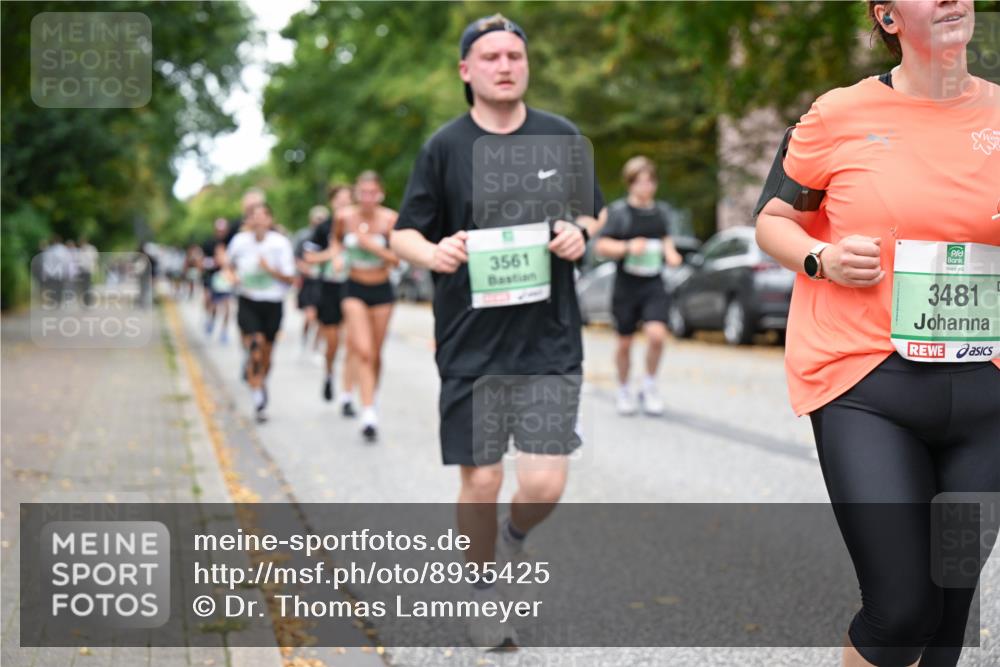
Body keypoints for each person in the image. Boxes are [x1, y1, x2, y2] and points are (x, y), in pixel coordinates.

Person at [754, 2, 999, 666]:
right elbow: (774, 220)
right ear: (887, 17)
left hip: (986, 392)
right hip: (866, 382)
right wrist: (821, 258)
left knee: (949, 612)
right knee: (902, 610)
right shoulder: (839, 114)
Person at [390, 14, 603, 647]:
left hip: (548, 337)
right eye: (491, 57)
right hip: (469, 339)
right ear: (466, 70)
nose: (505, 65)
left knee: (543, 483)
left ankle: (512, 538)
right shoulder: (444, 147)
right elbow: (403, 232)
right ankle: (481, 590)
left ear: (526, 65)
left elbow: (593, 210)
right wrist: (433, 254)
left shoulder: (561, 136)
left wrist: (579, 233)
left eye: (515, 55)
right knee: (481, 478)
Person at [594, 156, 683, 416]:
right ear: (630, 184)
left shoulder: (661, 212)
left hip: (653, 284)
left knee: (657, 336)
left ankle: (649, 385)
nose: (646, 187)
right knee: (624, 343)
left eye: (650, 181)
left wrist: (671, 253)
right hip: (626, 286)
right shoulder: (619, 212)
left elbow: (666, 238)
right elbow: (600, 246)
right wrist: (627, 247)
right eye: (640, 182)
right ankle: (623, 389)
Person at [337, 171, 399, 441]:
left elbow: (397, 259)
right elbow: (335, 242)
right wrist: (337, 257)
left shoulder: (390, 219)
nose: (367, 198)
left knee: (375, 352)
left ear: (380, 194)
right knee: (361, 350)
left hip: (382, 289)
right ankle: (368, 412)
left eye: (372, 193)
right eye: (363, 192)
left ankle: (370, 397)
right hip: (354, 288)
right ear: (356, 193)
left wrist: (369, 246)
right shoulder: (344, 218)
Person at [222, 202, 296, 423]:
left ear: (270, 220)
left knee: (267, 353)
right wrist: (231, 276)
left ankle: (261, 381)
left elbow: (290, 278)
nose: (258, 220)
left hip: (273, 303)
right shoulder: (239, 242)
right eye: (254, 216)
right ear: (248, 220)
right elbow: (228, 265)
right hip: (248, 300)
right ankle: (257, 399)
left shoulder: (280, 244)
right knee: (255, 345)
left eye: (263, 216)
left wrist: (268, 269)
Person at [304, 184, 359, 411]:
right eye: (340, 200)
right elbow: (309, 257)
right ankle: (328, 374)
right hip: (329, 288)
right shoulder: (323, 228)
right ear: (332, 202)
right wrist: (331, 253)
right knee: (333, 342)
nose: (344, 204)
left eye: (348, 199)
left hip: (354, 286)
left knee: (353, 343)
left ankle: (347, 395)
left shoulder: (358, 225)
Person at [293, 206, 327, 359]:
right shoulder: (303, 236)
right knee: (309, 316)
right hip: (307, 281)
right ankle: (304, 340)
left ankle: (316, 347)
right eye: (317, 219)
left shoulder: (329, 235)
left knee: (321, 318)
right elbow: (295, 258)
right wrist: (304, 269)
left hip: (323, 281)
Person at [201, 218, 233, 343]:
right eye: (219, 230)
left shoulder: (231, 242)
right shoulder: (208, 243)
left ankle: (224, 331)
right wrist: (214, 262)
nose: (221, 232)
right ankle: (210, 319)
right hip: (210, 276)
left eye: (223, 230)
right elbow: (202, 261)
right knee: (210, 301)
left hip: (225, 277)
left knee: (227, 305)